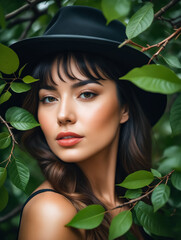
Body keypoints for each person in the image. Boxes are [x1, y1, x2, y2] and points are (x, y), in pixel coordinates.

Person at [10, 6, 166, 240]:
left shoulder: (136, 202)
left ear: (124, 108)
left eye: (86, 94)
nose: (63, 115)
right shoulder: (52, 211)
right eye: (49, 98)